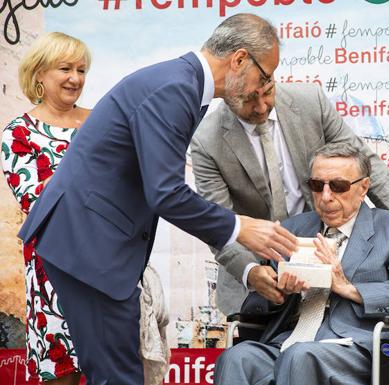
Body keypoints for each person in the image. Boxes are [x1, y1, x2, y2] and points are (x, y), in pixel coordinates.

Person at [16, 14, 298, 385]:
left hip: (91, 246)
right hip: (89, 247)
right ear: (240, 59)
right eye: (264, 76)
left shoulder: (182, 86)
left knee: (115, 373)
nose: (261, 90)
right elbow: (165, 193)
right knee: (118, 377)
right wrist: (237, 227)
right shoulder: (174, 89)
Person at [190, 82, 389, 315]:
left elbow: (368, 167)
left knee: (307, 353)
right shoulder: (206, 140)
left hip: (330, 271)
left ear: (270, 74)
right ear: (227, 92)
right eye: (248, 99)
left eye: (267, 93)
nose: (261, 106)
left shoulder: (310, 102)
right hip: (259, 275)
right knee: (245, 358)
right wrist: (252, 272)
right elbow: (218, 223)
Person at [215, 142, 389, 384]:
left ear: (364, 187)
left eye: (338, 186)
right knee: (236, 358)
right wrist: (276, 291)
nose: (326, 197)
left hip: (358, 346)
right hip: (289, 339)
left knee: (300, 356)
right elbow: (256, 303)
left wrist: (349, 288)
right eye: (317, 185)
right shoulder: (293, 229)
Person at [1, 32, 91, 385]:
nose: (76, 78)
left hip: (111, 268)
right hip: (53, 273)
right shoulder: (18, 134)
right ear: (39, 74)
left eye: (81, 70)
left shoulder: (101, 122)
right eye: (65, 68)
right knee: (62, 376)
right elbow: (36, 203)